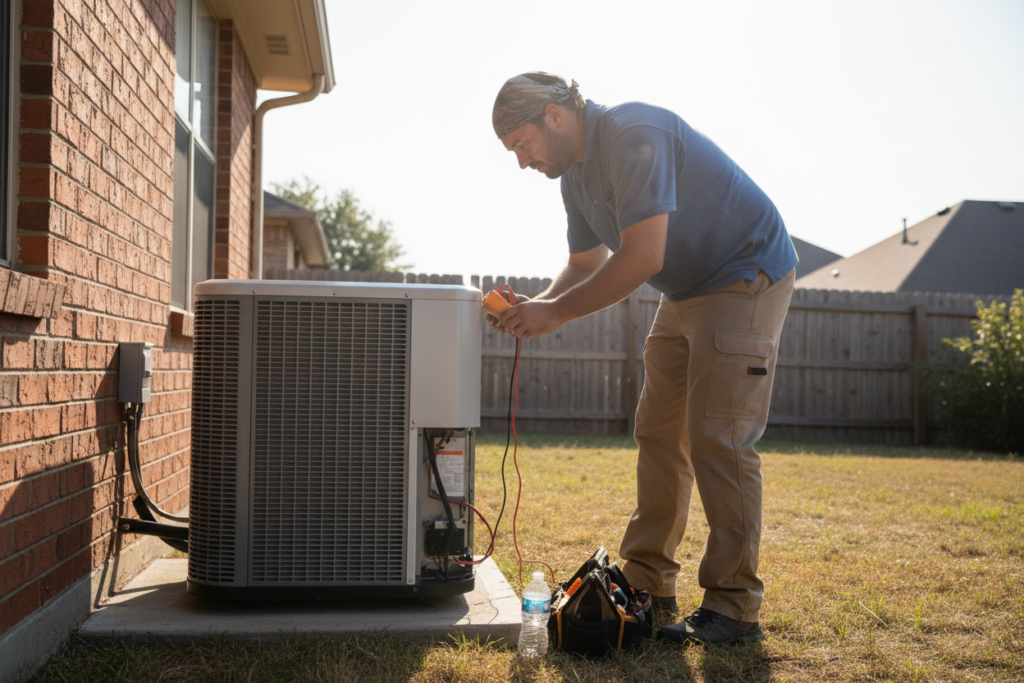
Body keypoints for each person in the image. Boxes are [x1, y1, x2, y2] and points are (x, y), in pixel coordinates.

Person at [488, 72, 798, 646]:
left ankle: (734, 607)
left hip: (744, 273)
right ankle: (649, 581)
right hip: (686, 291)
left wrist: (555, 315)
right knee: (658, 431)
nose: (523, 162)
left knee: (718, 435)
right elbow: (584, 264)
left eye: (522, 144)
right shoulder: (573, 178)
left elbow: (643, 255)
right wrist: (540, 305)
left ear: (554, 115)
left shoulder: (634, 133)